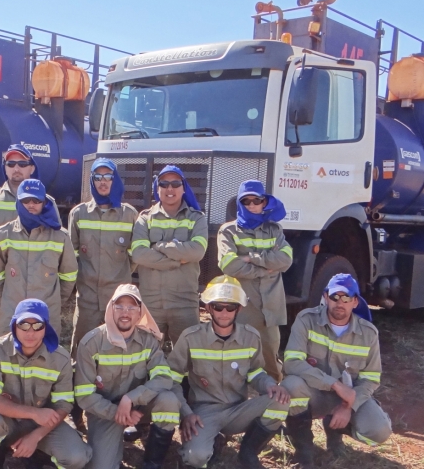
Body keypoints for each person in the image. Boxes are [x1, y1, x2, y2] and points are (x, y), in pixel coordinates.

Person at [168, 276, 291, 469]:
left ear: (239, 309)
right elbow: (172, 380)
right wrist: (186, 414)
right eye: (218, 306)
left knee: (281, 400)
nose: (224, 313)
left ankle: (248, 453)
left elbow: (256, 372)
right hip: (203, 413)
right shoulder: (191, 338)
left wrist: (270, 385)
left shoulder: (250, 337)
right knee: (196, 458)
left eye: (230, 307)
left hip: (238, 410)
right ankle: (213, 440)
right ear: (208, 307)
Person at [281, 274, 392, 467]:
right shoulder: (306, 320)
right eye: (334, 297)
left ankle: (335, 430)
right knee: (291, 385)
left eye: (346, 297)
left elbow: (371, 379)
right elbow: (292, 362)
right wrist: (333, 384)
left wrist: (348, 406)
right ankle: (303, 448)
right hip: (314, 394)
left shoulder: (368, 334)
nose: (339, 303)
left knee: (379, 432)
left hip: (349, 397)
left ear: (355, 301)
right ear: (325, 297)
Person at [0, 299, 92, 469]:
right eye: (24, 325)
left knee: (77, 457)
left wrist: (36, 436)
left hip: (43, 425)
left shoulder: (60, 359)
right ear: (14, 325)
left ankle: (39, 454)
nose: (30, 332)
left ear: (46, 328)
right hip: (7, 420)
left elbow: (63, 405)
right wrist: (34, 413)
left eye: (37, 326)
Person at [75, 284, 180, 469]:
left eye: (132, 307)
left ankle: (152, 462)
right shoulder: (91, 343)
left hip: (139, 406)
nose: (125, 312)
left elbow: (163, 376)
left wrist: (131, 398)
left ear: (140, 312)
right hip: (104, 412)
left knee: (168, 401)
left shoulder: (149, 341)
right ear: (111, 309)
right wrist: (119, 413)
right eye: (120, 306)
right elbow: (84, 396)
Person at [0, 144, 60, 344]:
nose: (16, 168)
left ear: (32, 168)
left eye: (22, 163)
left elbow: (56, 243)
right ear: (5, 167)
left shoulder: (48, 203)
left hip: (37, 281)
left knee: (36, 328)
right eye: (11, 164)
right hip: (0, 280)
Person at [217, 180, 293, 380]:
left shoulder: (274, 230)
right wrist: (266, 269)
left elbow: (286, 260)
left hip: (270, 311)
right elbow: (228, 265)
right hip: (242, 310)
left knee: (271, 365)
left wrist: (251, 258)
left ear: (264, 203)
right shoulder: (228, 231)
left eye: (256, 200)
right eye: (246, 201)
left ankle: (270, 406)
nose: (251, 205)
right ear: (240, 204)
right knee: (236, 366)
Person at [0, 179, 77, 338]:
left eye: (36, 200)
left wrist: (54, 301)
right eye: (26, 200)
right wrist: (8, 299)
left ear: (44, 202)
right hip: (12, 312)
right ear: (18, 201)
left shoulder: (60, 237)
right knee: (8, 357)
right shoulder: (2, 235)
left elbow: (69, 276)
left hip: (46, 314)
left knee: (45, 358)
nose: (31, 204)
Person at [130, 165, 208, 347]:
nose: (169, 189)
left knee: (188, 358)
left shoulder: (197, 218)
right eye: (164, 184)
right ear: (157, 189)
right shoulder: (145, 219)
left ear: (183, 188)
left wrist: (160, 245)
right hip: (151, 303)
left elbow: (197, 251)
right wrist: (176, 261)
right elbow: (139, 255)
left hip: (185, 303)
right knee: (145, 356)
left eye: (175, 183)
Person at [67, 158, 139, 356]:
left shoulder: (129, 215)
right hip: (87, 298)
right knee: (81, 350)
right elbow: (71, 257)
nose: (103, 181)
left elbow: (133, 258)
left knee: (118, 349)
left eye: (108, 176)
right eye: (98, 177)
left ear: (115, 179)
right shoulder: (79, 214)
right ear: (92, 181)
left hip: (117, 299)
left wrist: (118, 275)